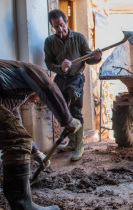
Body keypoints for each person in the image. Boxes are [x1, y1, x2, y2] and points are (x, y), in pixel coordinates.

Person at [0, 59, 81, 210]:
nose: (36, 100)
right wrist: (67, 119)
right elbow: (48, 87)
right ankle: (23, 209)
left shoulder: (9, 90)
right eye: (37, 98)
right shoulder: (34, 70)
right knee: (18, 143)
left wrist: (37, 153)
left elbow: (14, 122)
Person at [44, 9, 102, 162]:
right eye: (56, 27)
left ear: (66, 22)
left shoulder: (79, 38)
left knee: (75, 109)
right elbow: (49, 62)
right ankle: (71, 142)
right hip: (60, 78)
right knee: (59, 108)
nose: (60, 29)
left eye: (62, 25)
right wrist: (60, 68)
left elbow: (89, 58)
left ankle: (79, 146)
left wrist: (96, 58)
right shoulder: (49, 42)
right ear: (52, 27)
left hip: (76, 78)